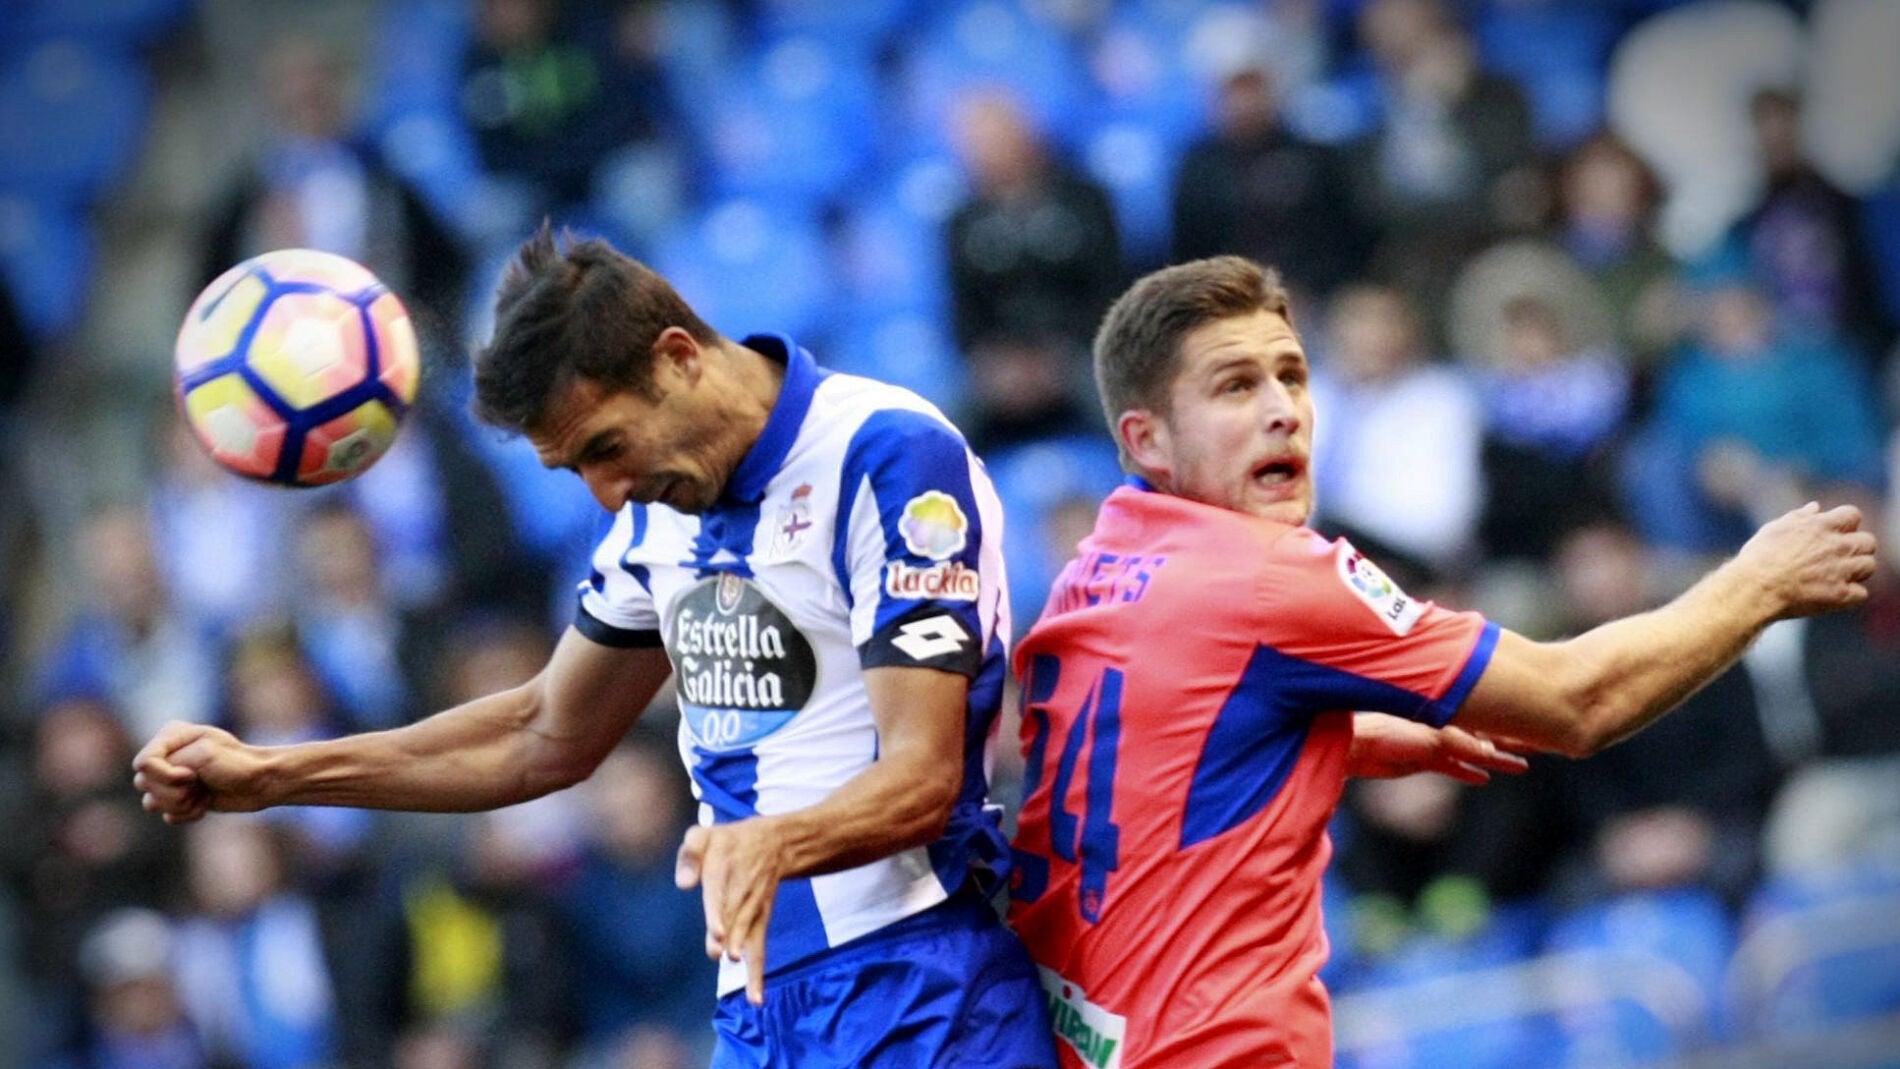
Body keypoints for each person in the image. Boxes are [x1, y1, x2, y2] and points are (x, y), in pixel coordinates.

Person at [134, 226, 1058, 1068]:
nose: (607, 494)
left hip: (919, 984)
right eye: (574, 468)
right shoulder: (657, 516)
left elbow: (925, 772)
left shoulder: (886, 454)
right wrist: (275, 774)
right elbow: (542, 734)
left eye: (607, 446)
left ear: (678, 357)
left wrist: (779, 841)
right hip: (758, 1006)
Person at [1006, 255, 1877, 1068]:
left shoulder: (1091, 573)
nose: (1284, 410)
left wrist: (1333, 738)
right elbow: (1579, 702)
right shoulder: (1271, 574)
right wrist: (1758, 582)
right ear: (1147, 440)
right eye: (1236, 385)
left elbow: (1151, 754)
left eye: (1293, 375)